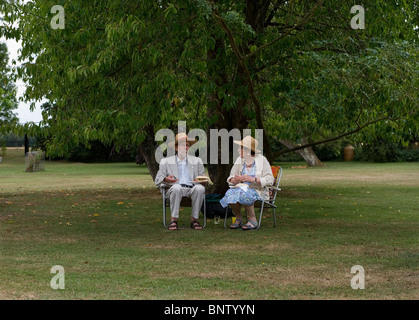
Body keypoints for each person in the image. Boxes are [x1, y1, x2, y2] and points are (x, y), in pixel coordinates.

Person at [220, 136, 274, 230]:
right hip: (240, 189)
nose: (238, 151)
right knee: (229, 194)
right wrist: (236, 179)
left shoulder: (262, 160)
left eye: (240, 148)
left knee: (245, 194)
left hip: (258, 191)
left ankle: (253, 219)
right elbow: (231, 178)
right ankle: (238, 218)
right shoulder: (239, 160)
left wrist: (253, 179)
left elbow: (270, 179)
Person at [155, 133, 207, 230]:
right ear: (176, 148)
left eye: (187, 145)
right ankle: (173, 220)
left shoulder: (197, 161)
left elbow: (203, 178)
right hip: (173, 189)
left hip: (192, 188)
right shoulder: (165, 161)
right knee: (176, 187)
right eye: (182, 145)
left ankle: (194, 220)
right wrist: (166, 179)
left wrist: (202, 180)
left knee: (200, 188)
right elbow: (158, 179)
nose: (185, 147)